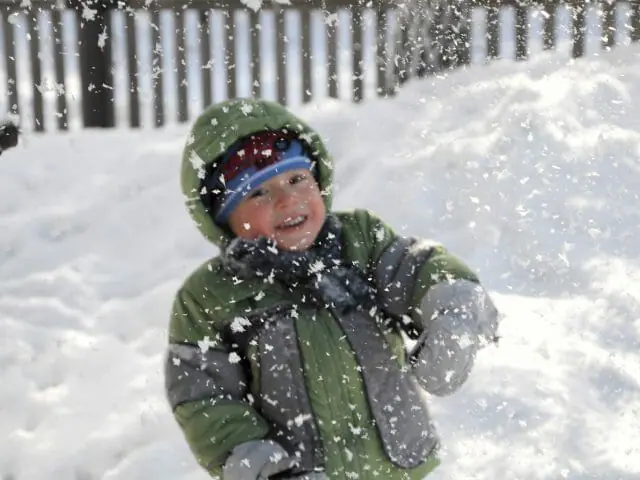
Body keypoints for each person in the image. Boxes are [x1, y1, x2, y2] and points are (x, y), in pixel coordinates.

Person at [164, 98, 500, 480]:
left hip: (400, 469)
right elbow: (206, 400)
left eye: (296, 179)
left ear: (318, 181)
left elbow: (423, 269)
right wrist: (261, 467)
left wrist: (453, 316)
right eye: (258, 192)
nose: (288, 199)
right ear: (223, 217)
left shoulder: (359, 242)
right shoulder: (209, 297)